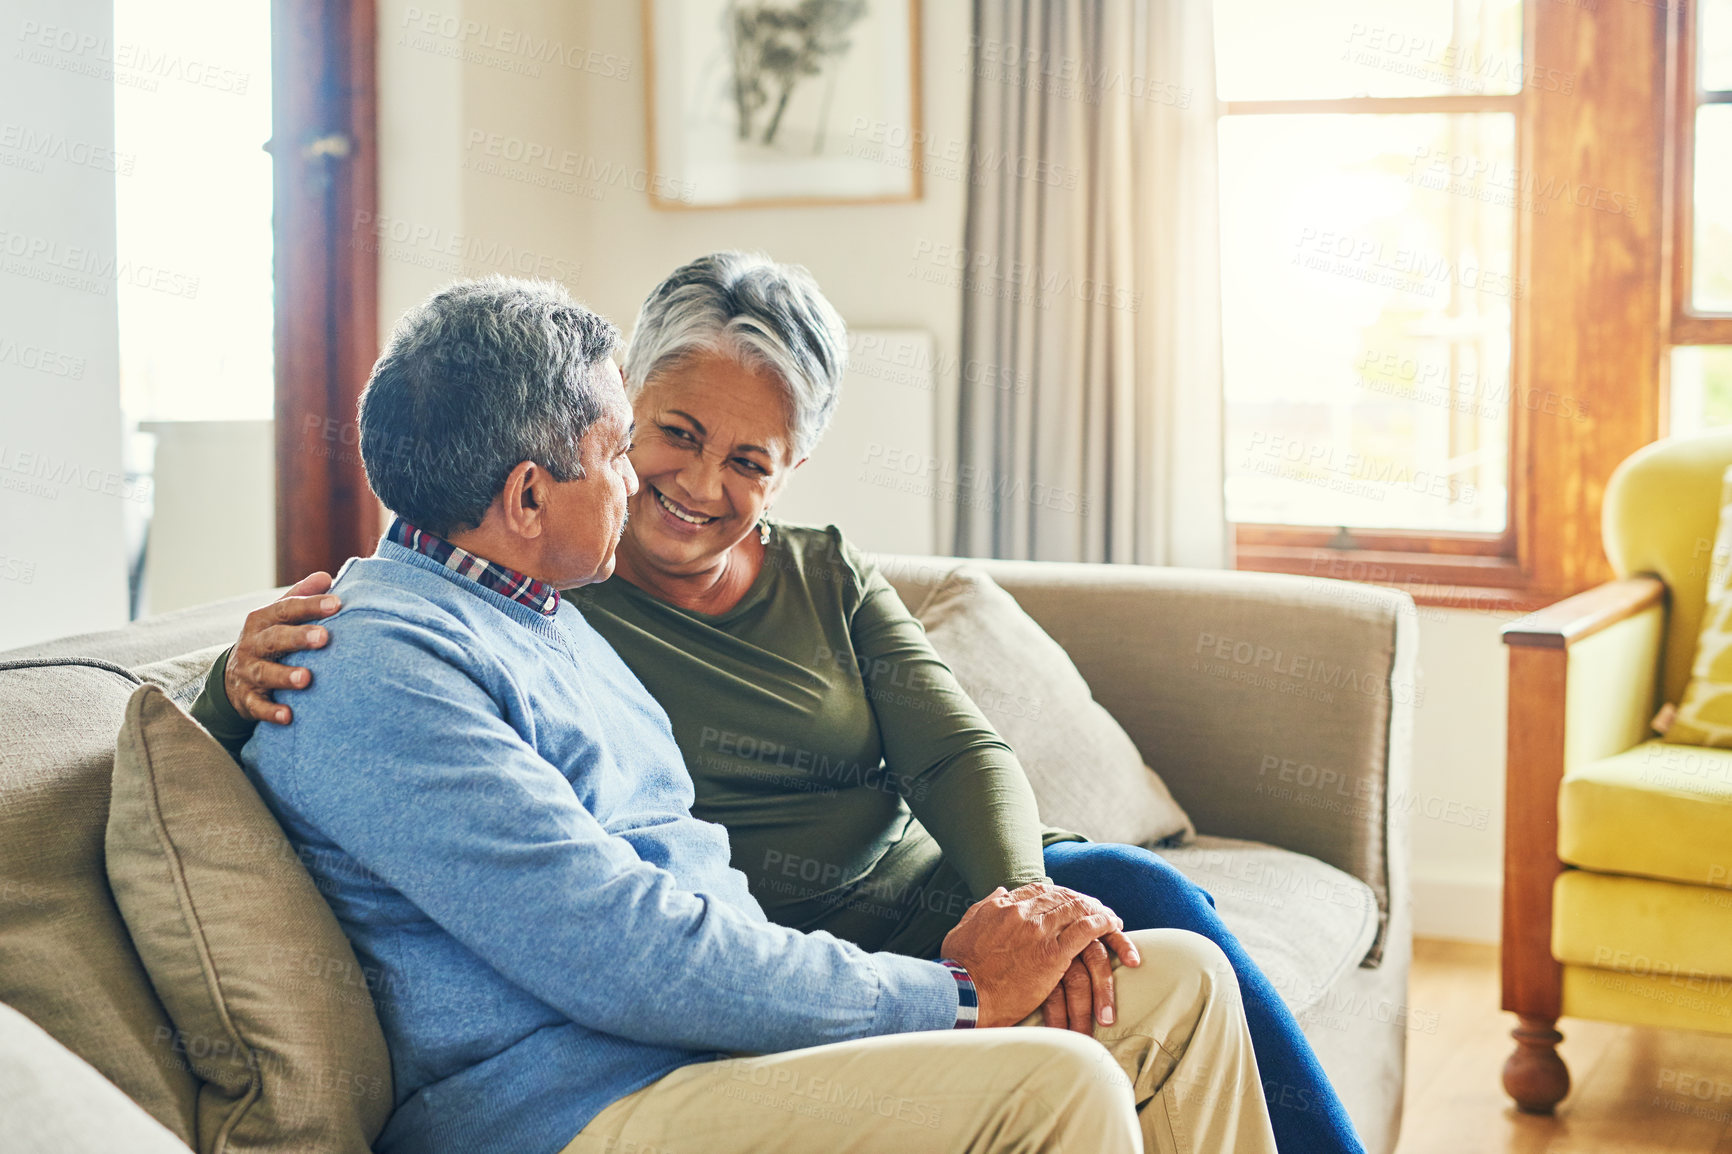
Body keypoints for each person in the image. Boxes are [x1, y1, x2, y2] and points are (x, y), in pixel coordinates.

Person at [199, 256, 1360, 1153]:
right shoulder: (379, 662)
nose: (667, 489)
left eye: (748, 461)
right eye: (628, 446)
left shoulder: (538, 607)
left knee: (1186, 983)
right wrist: (958, 995)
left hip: (706, 1031)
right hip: (582, 1097)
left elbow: (946, 753)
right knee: (1063, 1075)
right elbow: (626, 952)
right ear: (523, 493)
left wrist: (992, 940)